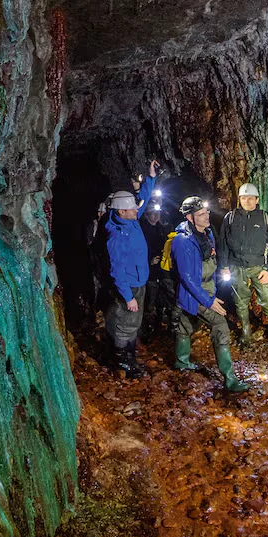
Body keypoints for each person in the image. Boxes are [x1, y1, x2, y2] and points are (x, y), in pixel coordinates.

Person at [171, 195, 249, 392]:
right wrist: (209, 300)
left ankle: (181, 362)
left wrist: (214, 285)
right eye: (200, 214)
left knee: (187, 323)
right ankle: (230, 379)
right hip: (193, 292)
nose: (207, 216)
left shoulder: (207, 233)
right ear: (190, 218)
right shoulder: (182, 241)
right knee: (220, 325)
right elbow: (188, 278)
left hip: (205, 288)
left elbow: (211, 262)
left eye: (206, 212)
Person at [103, 161, 160, 378]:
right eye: (133, 208)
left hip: (140, 281)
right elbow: (116, 271)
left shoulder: (131, 220)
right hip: (129, 285)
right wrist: (128, 297)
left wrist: (151, 178)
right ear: (121, 211)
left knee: (134, 323)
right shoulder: (116, 236)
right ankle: (121, 362)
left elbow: (143, 199)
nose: (138, 210)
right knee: (125, 324)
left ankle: (129, 358)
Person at [218, 182, 268, 348]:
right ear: (239, 199)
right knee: (240, 302)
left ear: (257, 199)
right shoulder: (230, 218)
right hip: (236, 267)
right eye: (244, 198)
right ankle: (246, 333)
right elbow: (223, 244)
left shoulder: (265, 218)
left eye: (251, 198)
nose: (247, 201)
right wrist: (224, 266)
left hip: (259, 267)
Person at [140, 202, 169, 343]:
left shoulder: (162, 229)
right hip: (149, 273)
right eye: (152, 212)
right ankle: (147, 332)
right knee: (149, 303)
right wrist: (149, 261)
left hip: (161, 272)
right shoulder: (142, 230)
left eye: (158, 212)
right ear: (146, 214)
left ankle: (158, 329)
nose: (156, 215)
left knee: (161, 301)